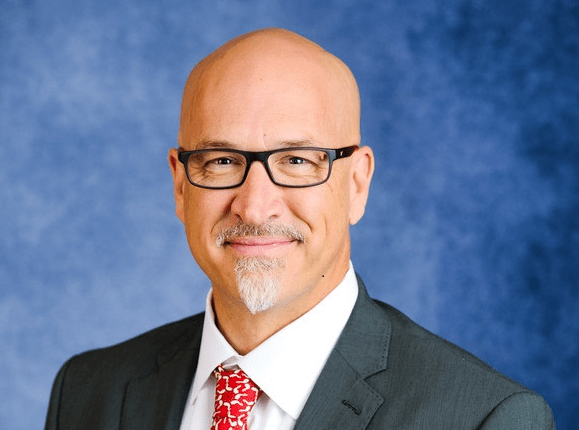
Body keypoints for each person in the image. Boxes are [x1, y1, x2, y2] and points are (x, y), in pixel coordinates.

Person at [44, 28, 556, 430]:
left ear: (357, 184)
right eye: (221, 161)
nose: (255, 207)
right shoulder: (88, 392)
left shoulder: (485, 419)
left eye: (296, 160)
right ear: (181, 186)